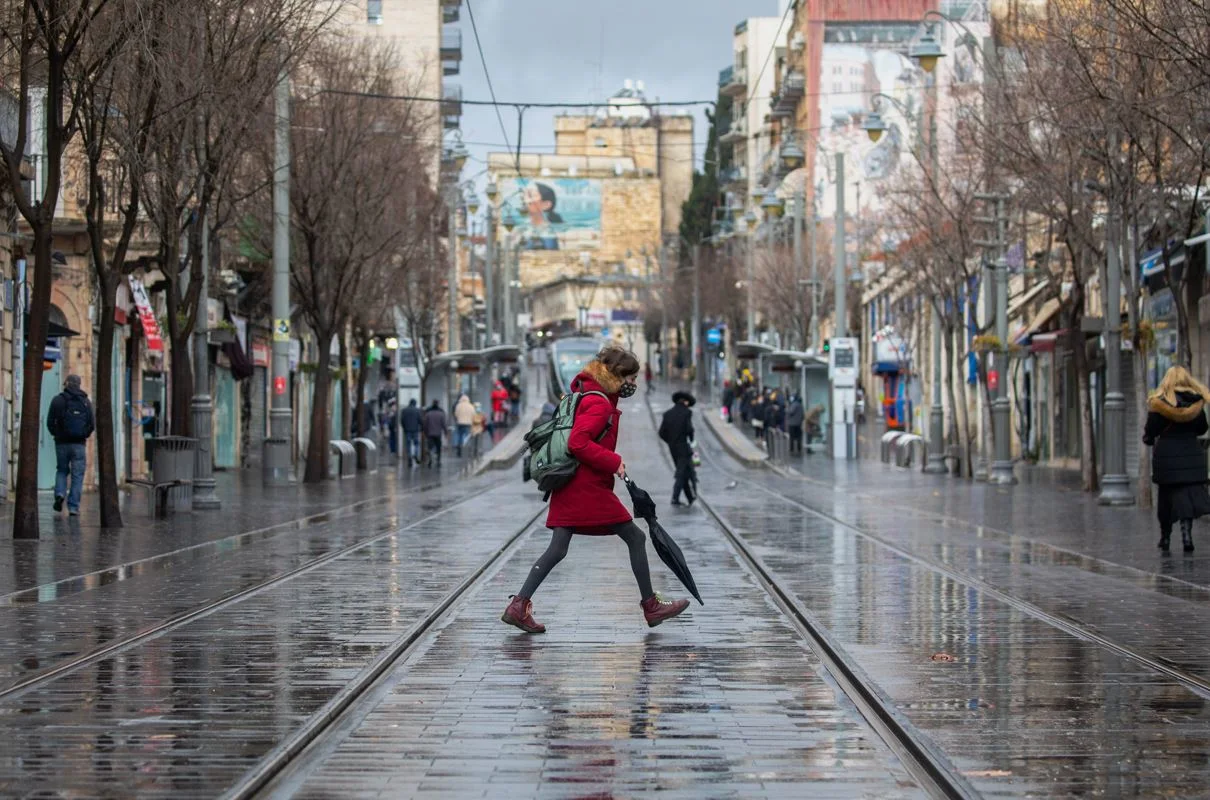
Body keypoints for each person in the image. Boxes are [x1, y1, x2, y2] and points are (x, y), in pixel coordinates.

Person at [501, 344, 690, 634]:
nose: (633, 384)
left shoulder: (585, 394)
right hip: (586, 486)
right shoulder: (600, 403)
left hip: (571, 482)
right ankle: (651, 606)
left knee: (559, 547)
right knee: (635, 537)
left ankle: (519, 605)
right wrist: (614, 461)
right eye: (630, 378)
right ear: (615, 376)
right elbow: (578, 442)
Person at [1143, 365, 1210, 553]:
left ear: (1166, 380)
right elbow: (1202, 428)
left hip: (1166, 458)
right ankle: (1187, 536)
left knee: (1166, 498)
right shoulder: (1196, 403)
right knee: (1186, 498)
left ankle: (1165, 538)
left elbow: (1150, 432)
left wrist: (1149, 439)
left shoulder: (1158, 404)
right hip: (1191, 456)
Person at [46, 374, 94, 516]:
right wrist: (83, 435)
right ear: (79, 384)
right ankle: (73, 507)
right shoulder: (86, 402)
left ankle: (60, 494)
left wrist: (57, 434)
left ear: (67, 384)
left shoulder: (57, 400)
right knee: (77, 475)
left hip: (61, 443)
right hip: (79, 445)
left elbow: (50, 422)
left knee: (61, 470)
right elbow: (92, 424)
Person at [659, 391, 697, 507]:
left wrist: (670, 442)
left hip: (673, 449)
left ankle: (690, 497)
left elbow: (661, 433)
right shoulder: (687, 413)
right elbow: (689, 429)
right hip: (684, 448)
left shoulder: (667, 414)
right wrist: (691, 440)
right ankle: (675, 498)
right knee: (681, 473)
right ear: (685, 402)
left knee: (684, 471)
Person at [422, 400, 447, 467]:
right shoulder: (441, 414)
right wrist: (445, 432)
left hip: (430, 434)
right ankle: (438, 460)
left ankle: (430, 459)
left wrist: (425, 432)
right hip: (438, 434)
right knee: (438, 447)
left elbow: (425, 425)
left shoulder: (428, 414)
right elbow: (443, 424)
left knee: (430, 447)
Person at [400, 399, 422, 466]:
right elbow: (420, 420)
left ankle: (409, 457)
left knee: (408, 444)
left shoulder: (404, 410)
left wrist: (404, 427)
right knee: (416, 444)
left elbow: (402, 420)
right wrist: (421, 427)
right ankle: (415, 454)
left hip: (407, 430)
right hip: (415, 430)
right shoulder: (417, 410)